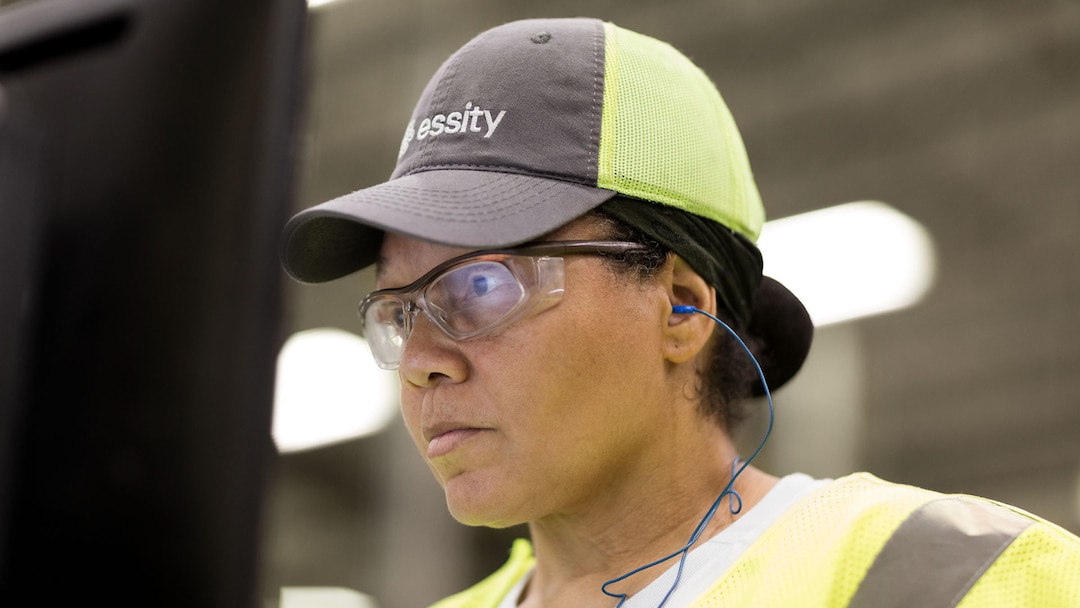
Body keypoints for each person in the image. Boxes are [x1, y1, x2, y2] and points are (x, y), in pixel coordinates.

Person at [280, 17, 1080, 608]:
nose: (422, 358)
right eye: (398, 307)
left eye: (482, 286)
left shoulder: (951, 580)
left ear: (684, 306)